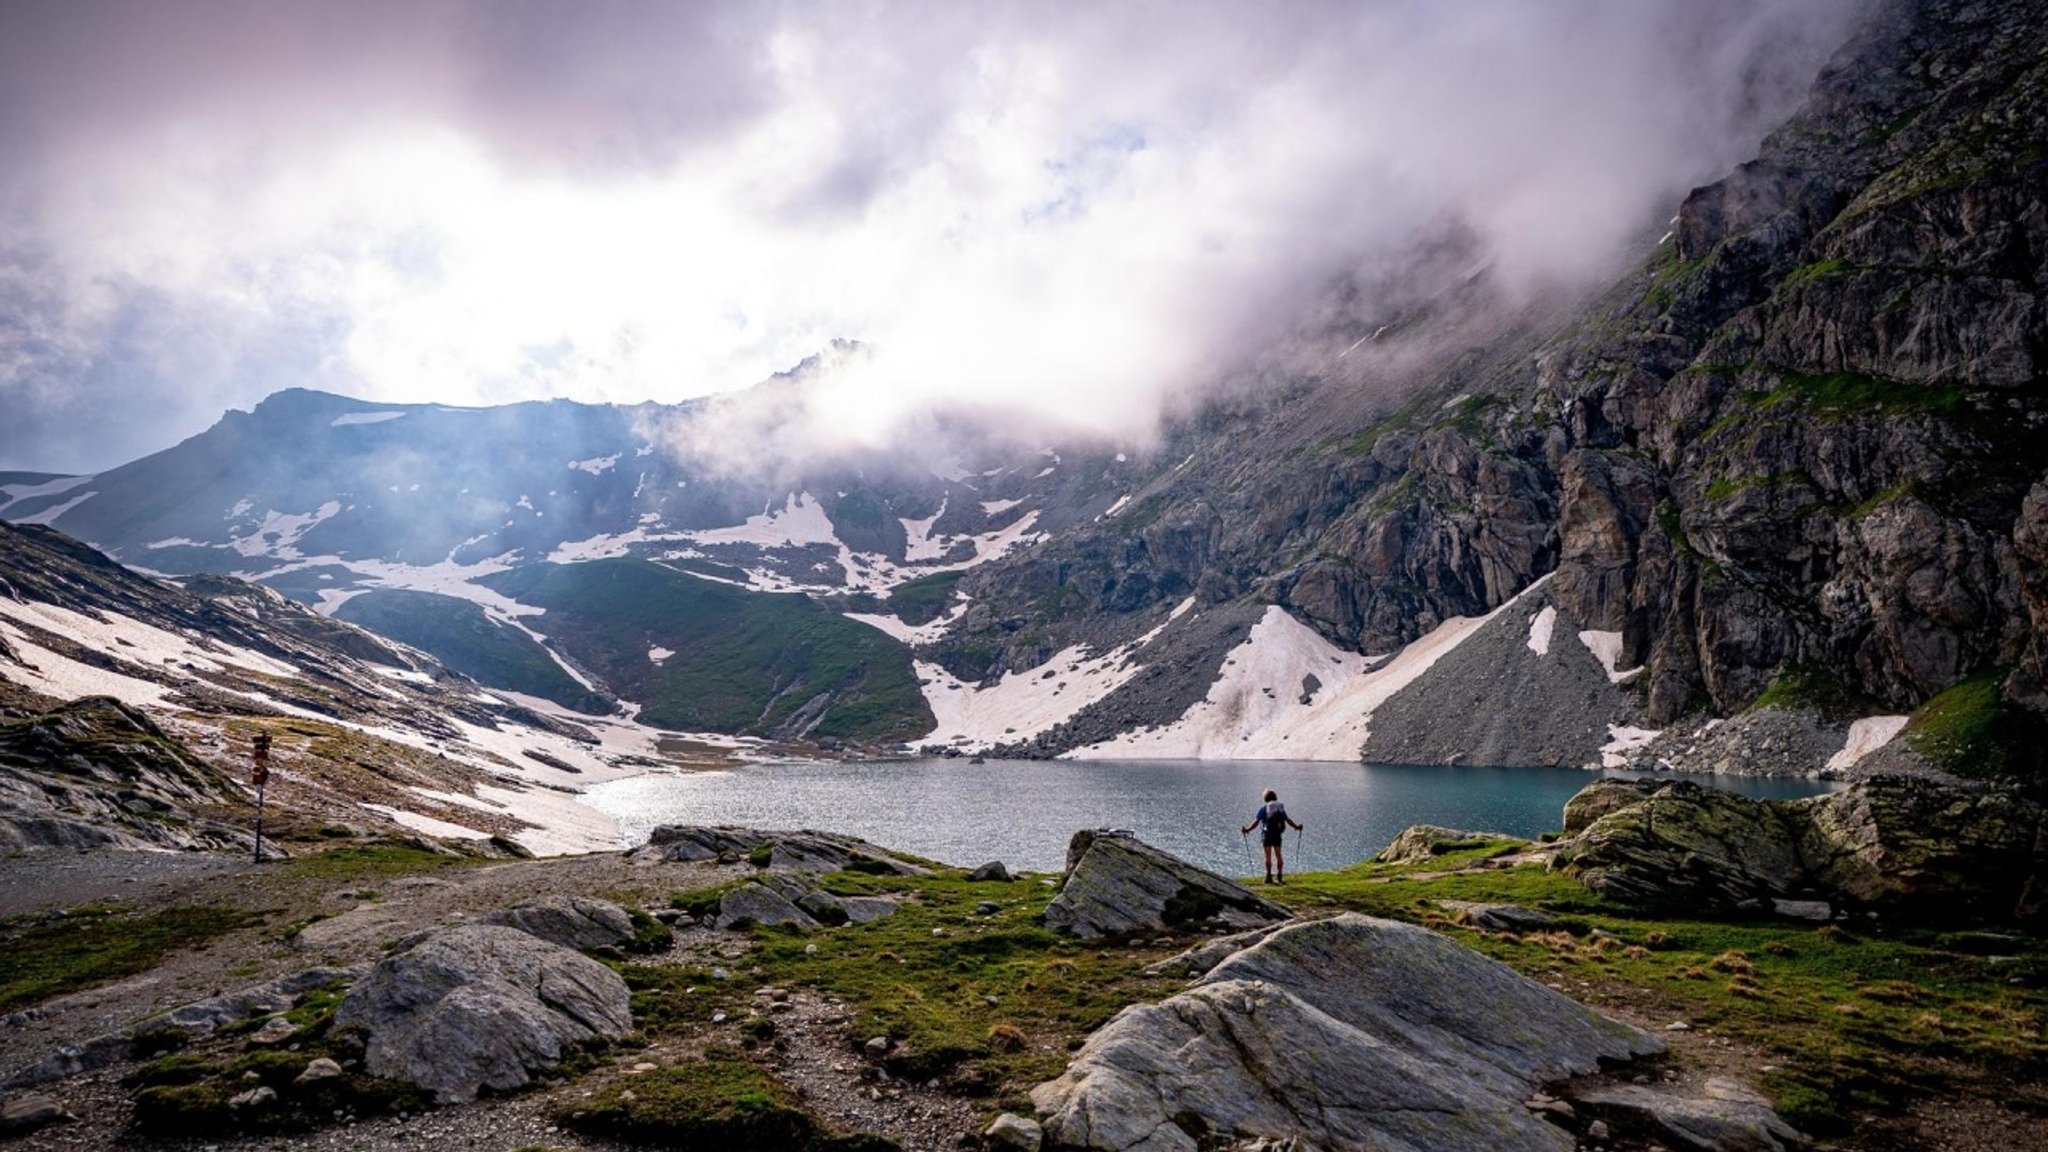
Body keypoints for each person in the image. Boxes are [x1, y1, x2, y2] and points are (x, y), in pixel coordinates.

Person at [1242, 788, 1303, 884]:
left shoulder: (1264, 809)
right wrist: (1297, 827)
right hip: (1277, 834)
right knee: (1279, 855)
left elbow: (1256, 822)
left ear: (1265, 798)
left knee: (1268, 856)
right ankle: (1279, 876)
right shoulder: (1280, 809)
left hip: (1267, 834)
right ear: (1275, 797)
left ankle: (1269, 877)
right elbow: (1288, 820)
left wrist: (1247, 830)